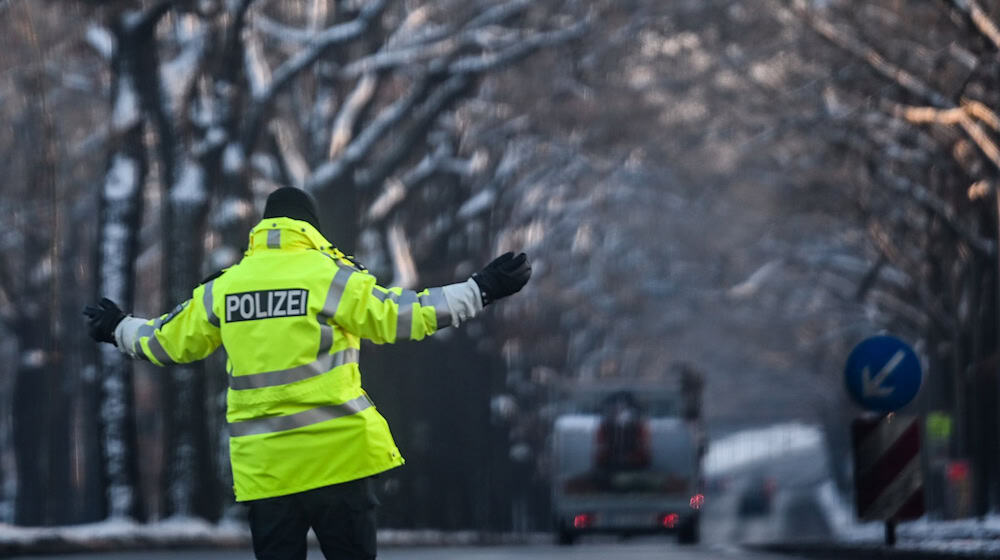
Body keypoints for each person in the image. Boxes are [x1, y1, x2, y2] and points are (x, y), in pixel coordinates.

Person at [83, 187, 532, 560]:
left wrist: (118, 327)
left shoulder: (225, 287)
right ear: (311, 229)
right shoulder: (329, 276)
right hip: (339, 460)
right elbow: (402, 316)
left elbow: (166, 341)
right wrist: (480, 289)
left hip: (268, 470)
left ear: (264, 229)